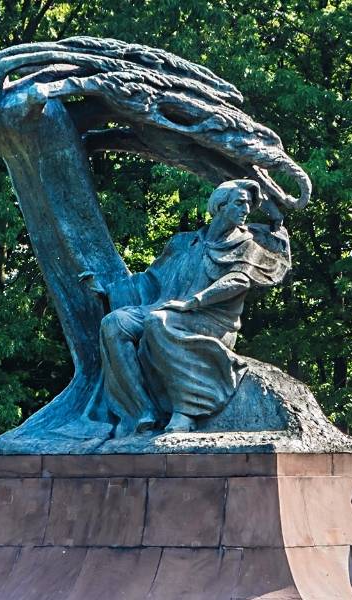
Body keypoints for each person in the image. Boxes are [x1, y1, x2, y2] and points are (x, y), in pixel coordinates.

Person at [80, 179, 292, 437]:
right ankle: (142, 412)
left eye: (248, 204)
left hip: (211, 319)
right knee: (114, 323)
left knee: (159, 322)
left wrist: (194, 301)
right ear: (220, 206)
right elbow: (151, 279)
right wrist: (110, 290)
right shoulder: (184, 243)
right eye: (239, 203)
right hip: (166, 307)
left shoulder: (248, 245)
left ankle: (187, 411)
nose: (246, 210)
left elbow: (238, 280)